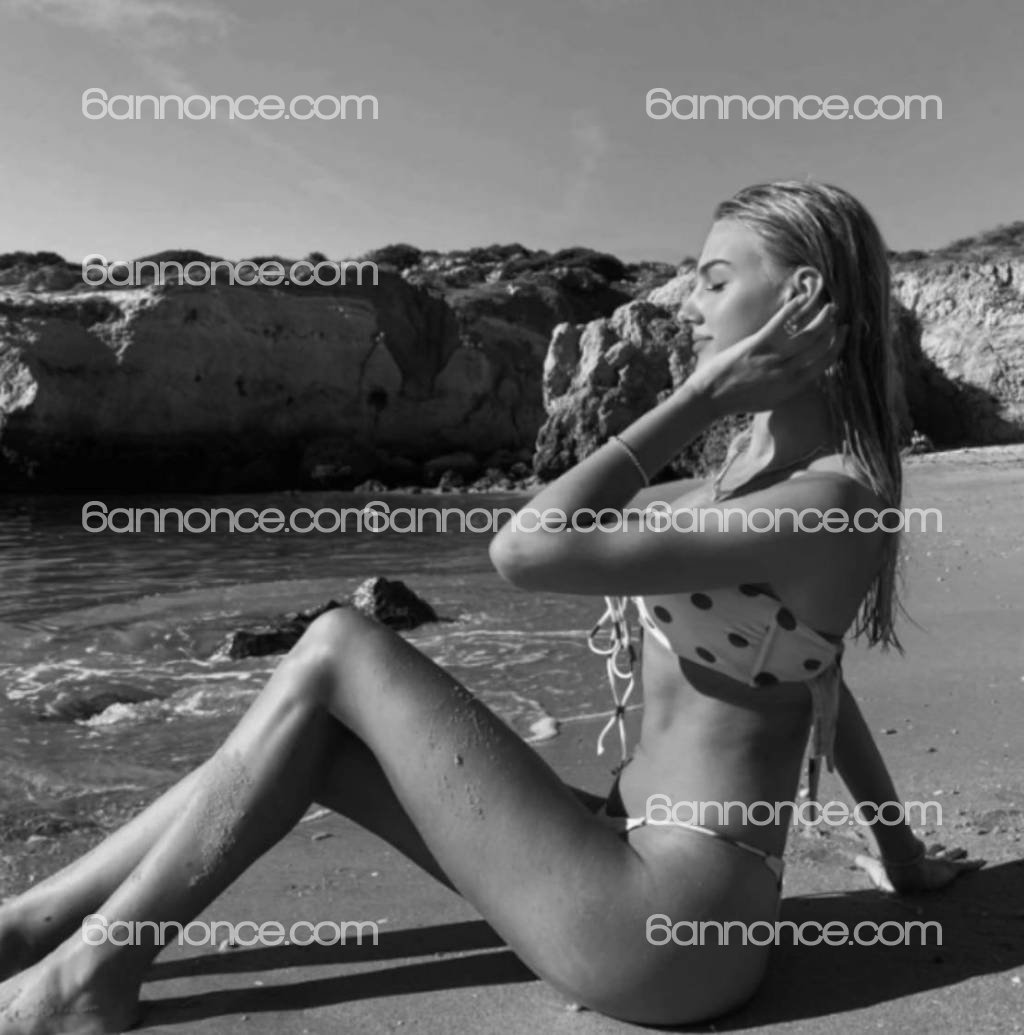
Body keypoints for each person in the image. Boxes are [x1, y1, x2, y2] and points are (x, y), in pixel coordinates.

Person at [0, 181, 983, 1033]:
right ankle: (38, 927)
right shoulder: (730, 493)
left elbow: (522, 550)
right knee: (319, 740)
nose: (686, 302)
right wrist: (899, 853)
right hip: (626, 860)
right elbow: (818, 680)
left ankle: (89, 974)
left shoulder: (826, 501)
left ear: (801, 298)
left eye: (715, 280)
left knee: (339, 644)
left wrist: (700, 398)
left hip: (669, 930)